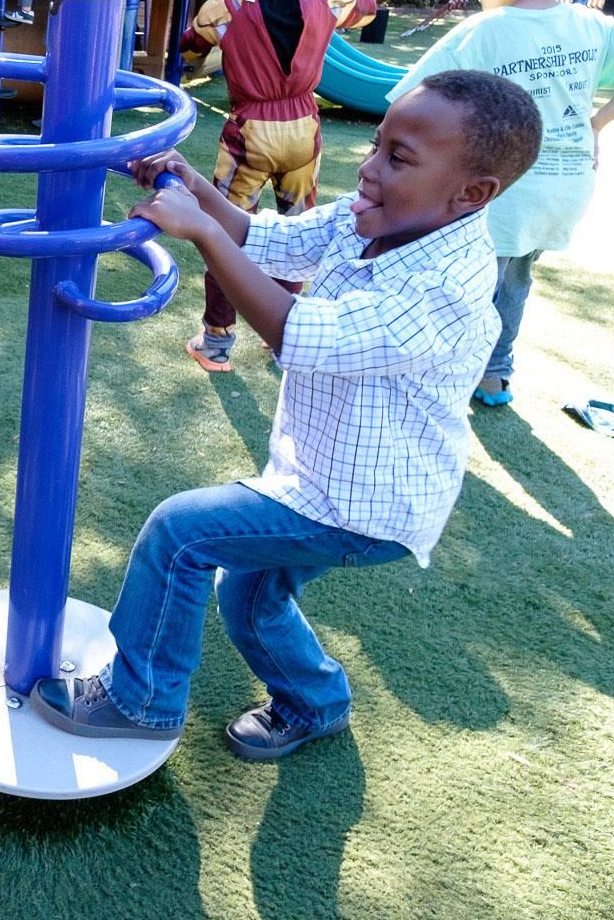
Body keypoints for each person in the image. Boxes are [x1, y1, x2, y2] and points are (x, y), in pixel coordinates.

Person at [30, 71, 544, 759]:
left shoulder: (442, 289)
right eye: (376, 143)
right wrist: (198, 188)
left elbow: (294, 332)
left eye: (397, 158)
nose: (366, 168)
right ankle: (315, 700)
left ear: (471, 193)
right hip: (315, 477)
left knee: (180, 533)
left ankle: (140, 700)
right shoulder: (371, 217)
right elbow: (263, 238)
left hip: (365, 504)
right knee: (249, 595)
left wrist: (202, 232)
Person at [386, 0, 614, 406]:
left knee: (473, 281)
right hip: (566, 185)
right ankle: (495, 375)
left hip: (508, 186)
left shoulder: (483, 30)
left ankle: (448, 374)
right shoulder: (592, 26)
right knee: (516, 277)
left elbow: (405, 99)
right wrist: (596, 124)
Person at [179, 0, 379, 372]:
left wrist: (204, 57)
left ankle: (216, 340)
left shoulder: (225, 7)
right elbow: (366, 7)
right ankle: (283, 336)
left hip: (249, 133)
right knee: (299, 230)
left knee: (226, 231)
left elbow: (189, 47)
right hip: (303, 131)